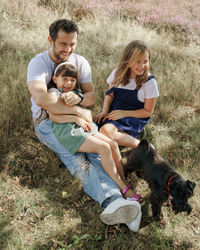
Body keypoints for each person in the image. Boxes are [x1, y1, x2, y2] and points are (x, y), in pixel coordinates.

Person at [27, 19, 142, 232]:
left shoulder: (80, 61)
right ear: (51, 40)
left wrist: (80, 103)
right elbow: (44, 101)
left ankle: (125, 199)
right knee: (78, 159)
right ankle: (112, 201)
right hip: (48, 124)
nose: (68, 49)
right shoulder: (38, 64)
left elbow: (90, 97)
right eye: (63, 44)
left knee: (101, 151)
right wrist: (78, 111)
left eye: (72, 44)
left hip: (79, 120)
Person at [48, 61, 142, 201]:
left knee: (113, 145)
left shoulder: (75, 94)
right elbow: (53, 116)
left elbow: (89, 100)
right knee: (104, 147)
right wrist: (76, 119)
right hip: (69, 131)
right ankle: (123, 188)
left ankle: (124, 183)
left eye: (72, 80)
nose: (68, 83)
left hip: (83, 127)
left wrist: (82, 117)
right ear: (55, 79)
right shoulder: (54, 92)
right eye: (64, 79)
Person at [95, 40, 159, 149]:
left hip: (134, 115)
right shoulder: (117, 74)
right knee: (91, 125)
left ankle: (142, 147)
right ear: (128, 60)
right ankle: (120, 141)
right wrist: (105, 110)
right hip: (115, 111)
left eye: (145, 61)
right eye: (137, 61)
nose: (142, 66)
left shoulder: (149, 83)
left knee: (105, 131)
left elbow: (147, 111)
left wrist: (124, 113)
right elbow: (110, 94)